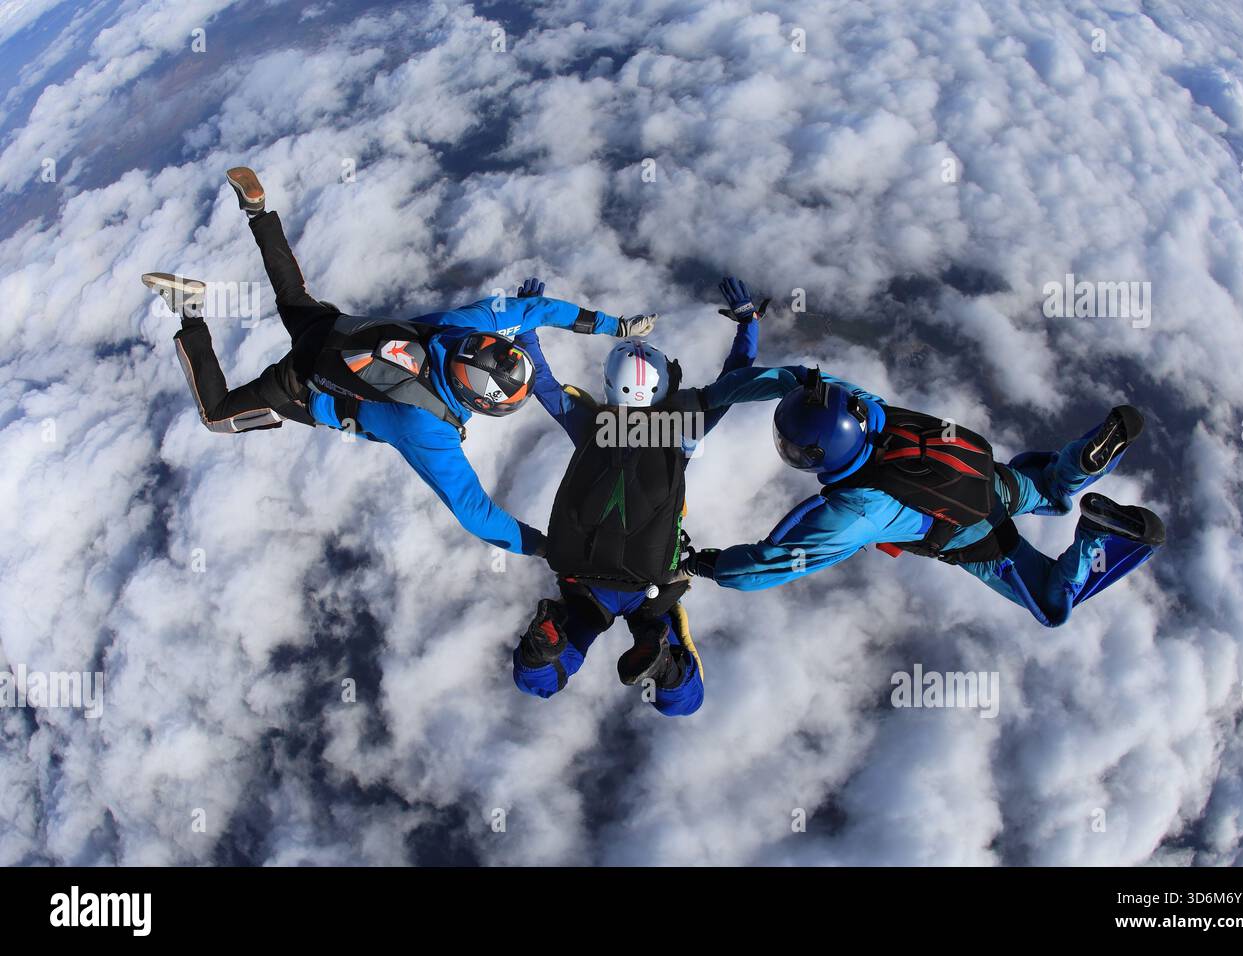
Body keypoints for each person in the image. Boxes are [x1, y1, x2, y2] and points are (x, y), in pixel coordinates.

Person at [142, 167, 654, 556]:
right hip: (304, 388)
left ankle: (258, 211)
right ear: (480, 402)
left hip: (332, 330)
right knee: (218, 414)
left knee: (292, 293)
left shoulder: (467, 326)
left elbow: (539, 308)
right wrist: (547, 548)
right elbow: (477, 514)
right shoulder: (428, 429)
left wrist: (615, 326)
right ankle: (190, 314)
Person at [671, 365, 1165, 627]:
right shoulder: (861, 403)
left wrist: (705, 565)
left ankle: (1095, 538)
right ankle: (1084, 461)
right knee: (1052, 488)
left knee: (1054, 606)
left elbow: (773, 564)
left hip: (976, 541)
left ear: (821, 455)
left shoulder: (852, 511)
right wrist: (713, 396)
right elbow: (790, 378)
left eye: (797, 451)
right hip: (986, 479)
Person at [509, 277, 764, 715]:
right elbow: (735, 382)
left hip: (585, 581)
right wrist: (747, 325)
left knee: (544, 676)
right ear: (666, 386)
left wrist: (528, 319)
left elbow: (541, 383)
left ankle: (542, 651)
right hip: (651, 583)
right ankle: (661, 663)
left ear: (609, 386)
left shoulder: (589, 422)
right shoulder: (681, 430)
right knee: (685, 699)